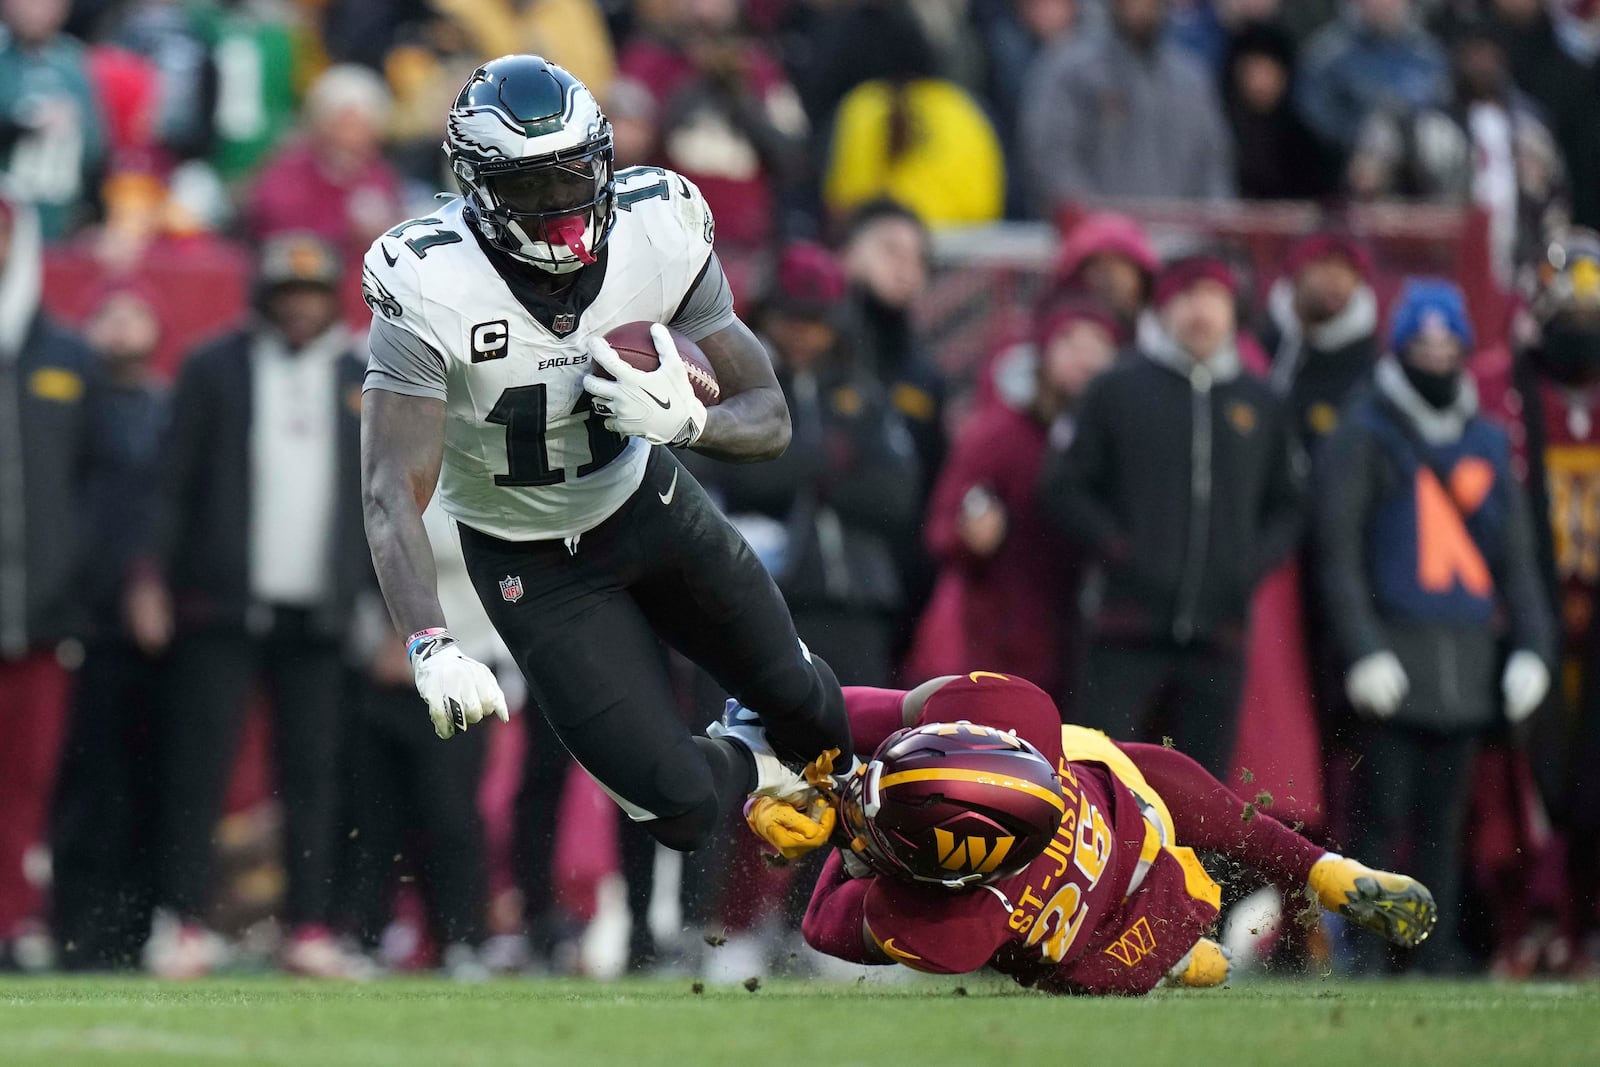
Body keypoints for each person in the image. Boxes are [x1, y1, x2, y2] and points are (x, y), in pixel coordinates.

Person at [360, 56, 853, 860]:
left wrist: (690, 424)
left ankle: (889, 792)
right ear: (479, 189)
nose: (560, 208)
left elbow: (769, 417)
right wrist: (431, 641)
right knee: (683, 813)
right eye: (531, 187)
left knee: (809, 706)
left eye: (573, 177)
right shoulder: (428, 279)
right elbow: (390, 488)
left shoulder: (657, 228)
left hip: (646, 505)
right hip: (530, 566)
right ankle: (756, 762)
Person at [770, 671, 1436, 994]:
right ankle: (1325, 868)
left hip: (1121, 944)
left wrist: (845, 835)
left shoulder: (957, 921)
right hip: (1124, 806)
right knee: (1190, 796)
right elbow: (898, 711)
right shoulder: (1018, 716)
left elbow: (823, 921)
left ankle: (1180, 957)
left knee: (1084, 969)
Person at [130, 233, 372, 979]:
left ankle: (309, 926)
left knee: (315, 774)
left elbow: (389, 497)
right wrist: (149, 577)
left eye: (310, 295)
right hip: (222, 601)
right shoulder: (214, 366)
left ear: (332, 297)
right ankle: (181, 920)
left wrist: (391, 607)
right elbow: (171, 481)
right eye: (284, 295)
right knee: (196, 766)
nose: (298, 308)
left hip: (322, 608)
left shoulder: (363, 374)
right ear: (263, 299)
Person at [1314, 278, 1555, 973]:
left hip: (1467, 664)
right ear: (1400, 345)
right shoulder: (1364, 433)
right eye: (1423, 341)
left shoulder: (1483, 438)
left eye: (1449, 341)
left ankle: (1430, 947)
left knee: (1446, 826)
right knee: (1378, 816)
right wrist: (1361, 648)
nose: (1437, 353)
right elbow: (1339, 552)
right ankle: (1363, 948)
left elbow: (1517, 557)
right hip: (1393, 654)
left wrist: (1532, 648)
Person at [1039, 256, 1303, 776]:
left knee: (1200, 795)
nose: (1200, 310)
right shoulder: (1117, 389)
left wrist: (1247, 565)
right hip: (1123, 627)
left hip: (1218, 634)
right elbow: (1061, 487)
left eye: (1213, 297)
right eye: (1186, 296)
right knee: (1096, 778)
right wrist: (1120, 550)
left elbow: (1291, 504)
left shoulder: (1261, 401)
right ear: (1162, 308)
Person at [684, 242, 921, 688]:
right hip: (760, 595)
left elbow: (897, 496)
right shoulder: (729, 383)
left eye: (816, 322)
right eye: (791, 318)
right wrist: (826, 460)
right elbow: (725, 472)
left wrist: (797, 468)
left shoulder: (864, 394)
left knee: (858, 736)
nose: (802, 334)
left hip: (858, 600)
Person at [1474, 229, 1600, 971]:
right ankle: (1523, 923)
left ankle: (1582, 928)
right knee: (1518, 783)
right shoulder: (1497, 388)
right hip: (1522, 614)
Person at [908, 299, 1119, 702]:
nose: (1086, 359)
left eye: (1099, 345)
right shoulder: (1000, 432)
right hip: (999, 647)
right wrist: (972, 536)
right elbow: (941, 527)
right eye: (1072, 342)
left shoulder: (1116, 439)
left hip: (1088, 645)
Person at [50, 282, 167, 971]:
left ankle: (136, 928)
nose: (122, 329)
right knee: (82, 783)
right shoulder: (63, 410)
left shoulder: (173, 408)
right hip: (81, 619)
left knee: (150, 781)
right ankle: (73, 926)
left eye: (136, 314)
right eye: (109, 316)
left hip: (158, 626)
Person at [0, 190, 99, 969]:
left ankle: (17, 921)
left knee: (28, 785)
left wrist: (75, 583)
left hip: (42, 617)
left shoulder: (66, 357)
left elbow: (98, 486)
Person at [1021, 0, 1235, 212]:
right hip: (1100, 241)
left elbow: (1214, 166)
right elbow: (1052, 159)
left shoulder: (1191, 79)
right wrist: (1100, 227)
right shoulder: (1068, 68)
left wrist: (1209, 226)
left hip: (1183, 239)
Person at [1261, 230, 1382, 448]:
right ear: (1298, 270)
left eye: (1349, 270)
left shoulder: (1367, 363)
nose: (1336, 279)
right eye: (1324, 264)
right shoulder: (1262, 339)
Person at [0, 0, 108, 239]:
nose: (37, 10)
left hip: (60, 213)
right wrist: (25, 127)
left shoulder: (74, 60)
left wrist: (95, 216)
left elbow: (96, 149)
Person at [1295, 0, 1449, 158]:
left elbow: (1442, 104)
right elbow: (1314, 113)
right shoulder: (1328, 53)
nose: (1383, 4)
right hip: (1345, 157)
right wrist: (1360, 138)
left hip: (1418, 155)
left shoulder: (1426, 53)